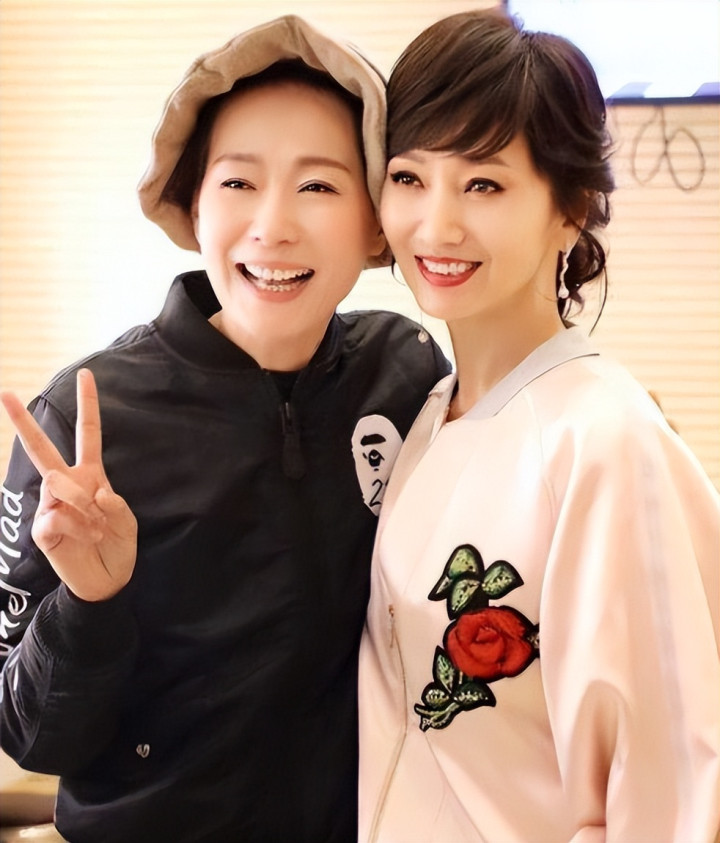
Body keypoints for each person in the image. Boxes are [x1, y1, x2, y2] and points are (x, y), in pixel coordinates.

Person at [0, 15, 450, 842]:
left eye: (319, 186)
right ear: (193, 206)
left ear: (374, 221)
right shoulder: (84, 420)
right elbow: (30, 735)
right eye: (239, 182)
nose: (273, 225)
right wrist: (88, 601)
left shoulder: (406, 373)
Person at [358, 9, 720, 842]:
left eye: (483, 184)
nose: (436, 224)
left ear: (571, 208)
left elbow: (667, 789)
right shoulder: (430, 414)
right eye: (410, 177)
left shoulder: (605, 442)